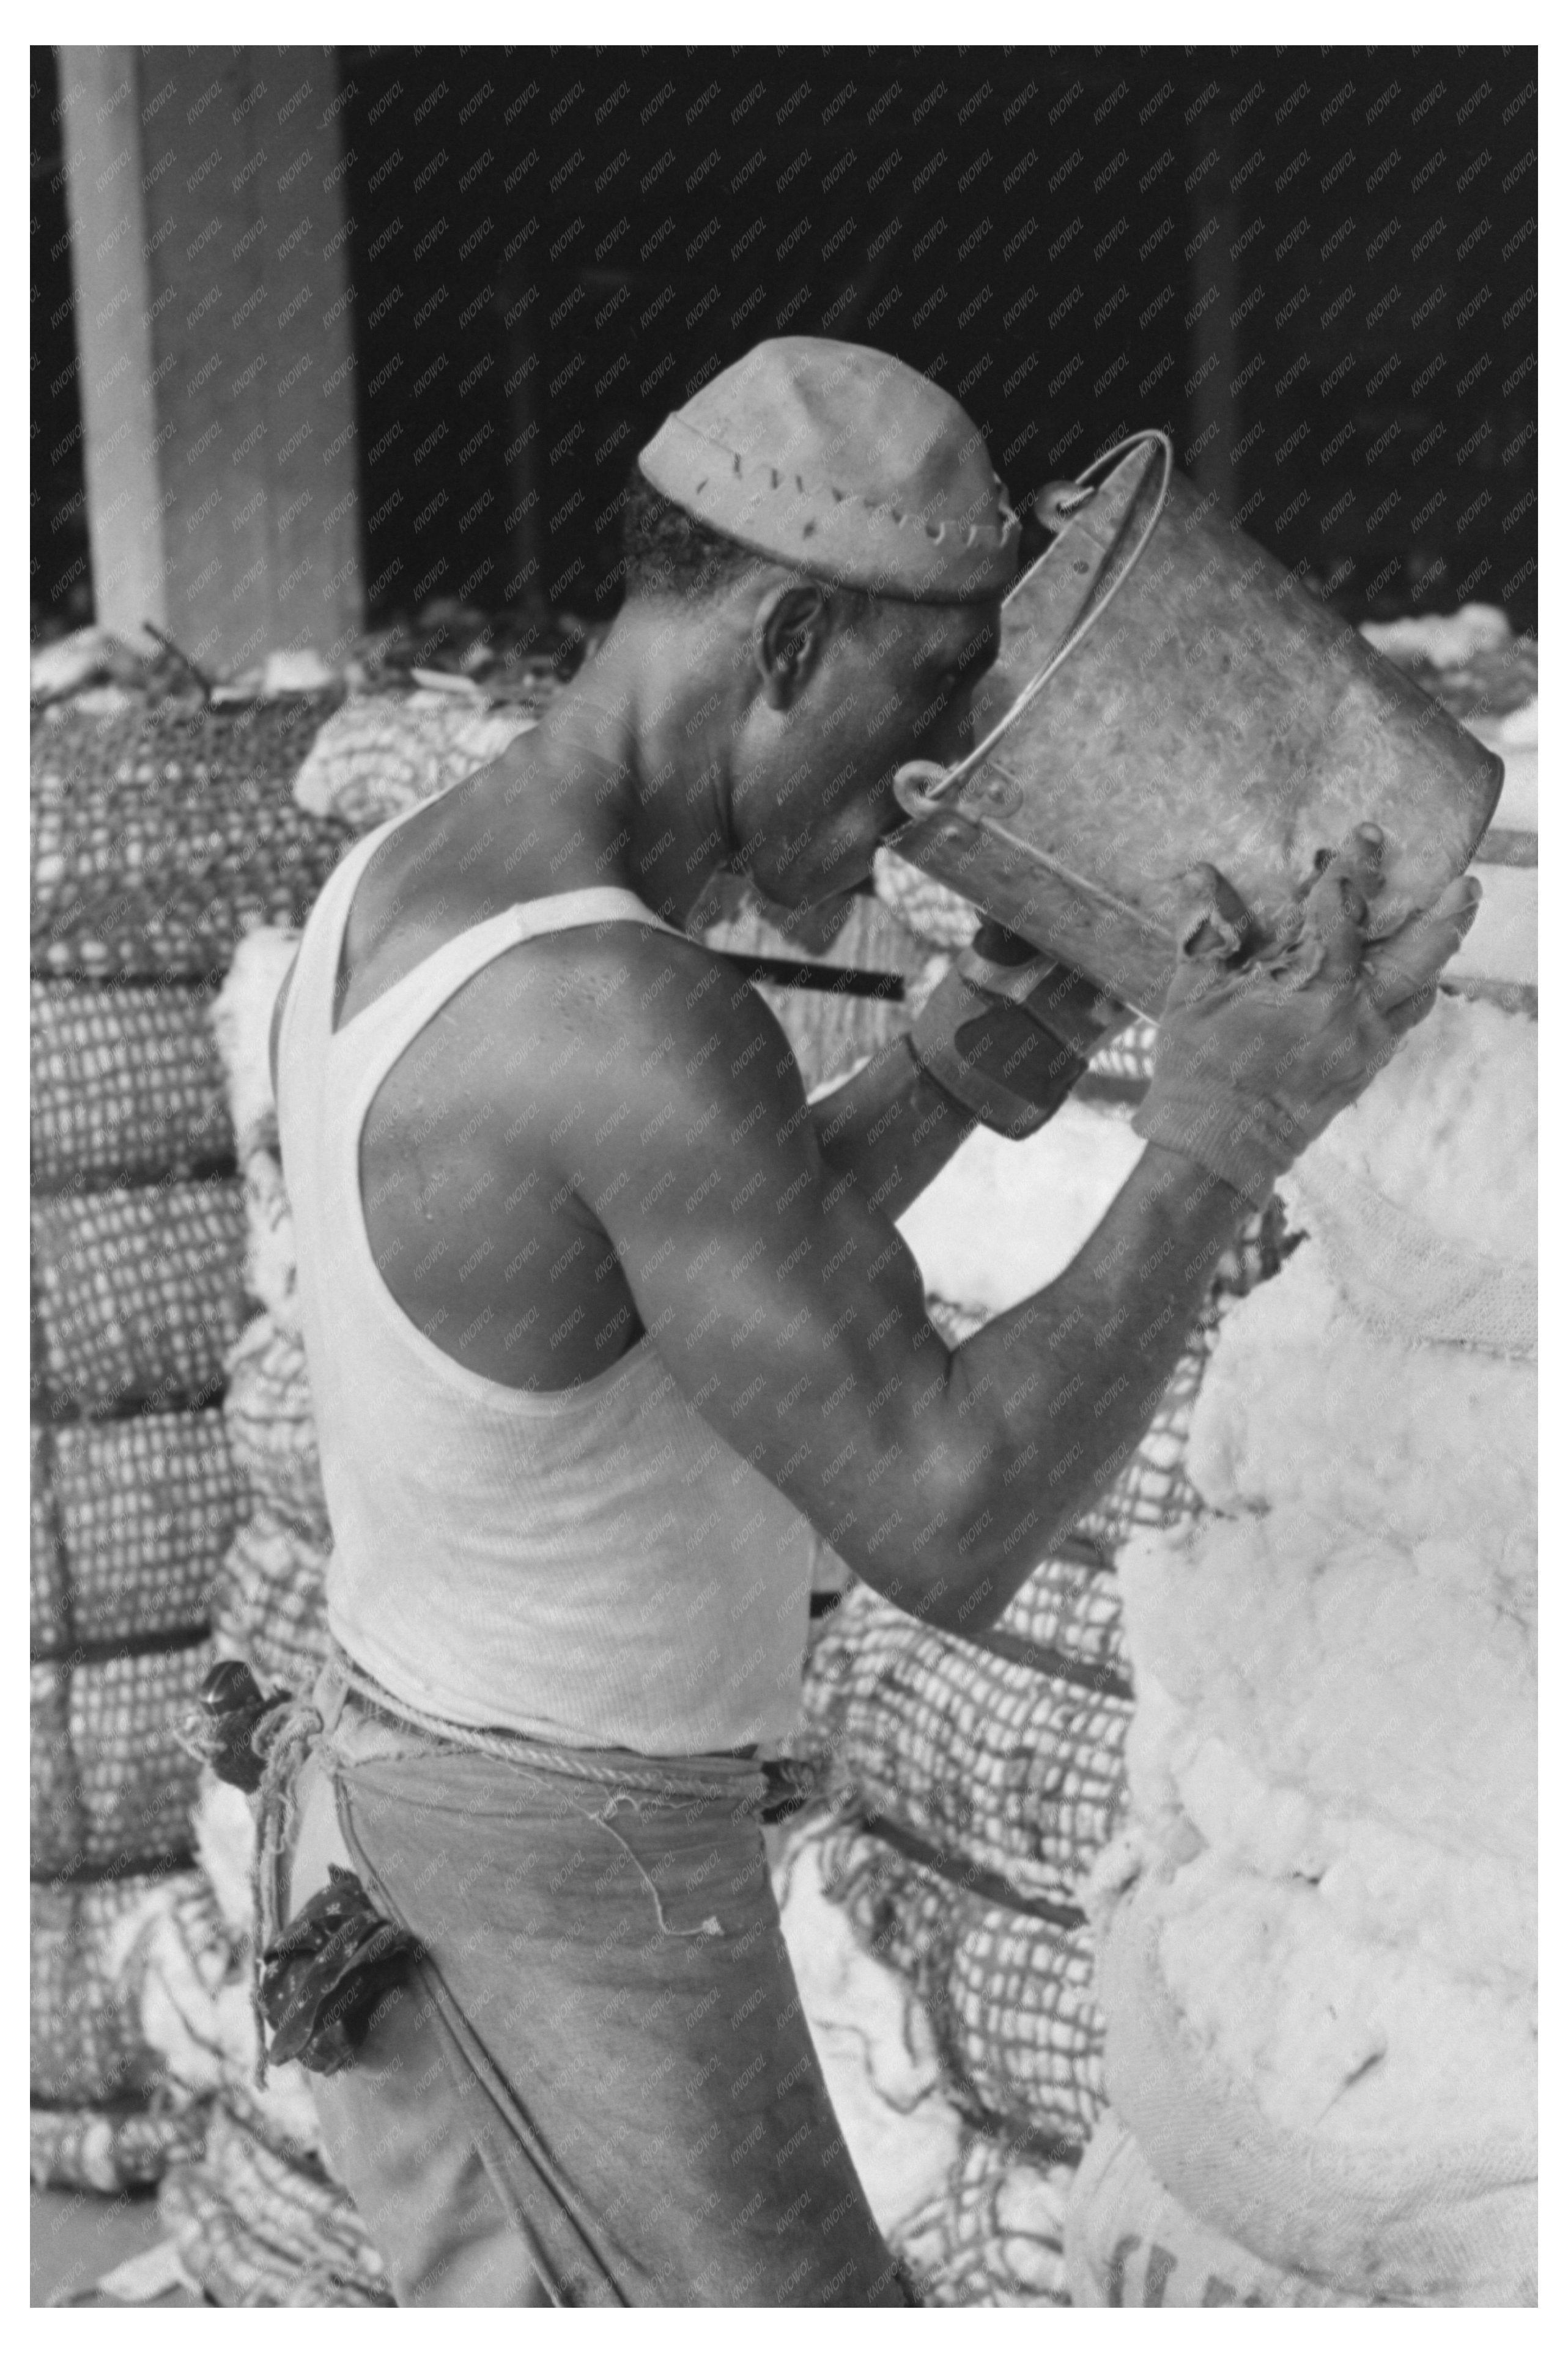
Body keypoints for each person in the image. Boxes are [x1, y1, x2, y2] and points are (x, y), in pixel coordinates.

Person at [266, 337, 1479, 2307]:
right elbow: (949, 1512)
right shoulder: (625, 1013)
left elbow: (655, 1270)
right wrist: (1220, 1138)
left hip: (435, 1803)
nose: (938, 787)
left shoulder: (433, 876)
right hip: (565, 1863)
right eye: (930, 704)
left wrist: (965, 1053)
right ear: (787, 636)